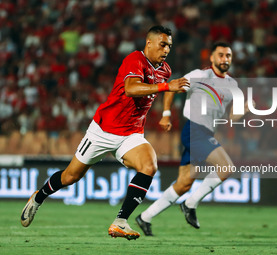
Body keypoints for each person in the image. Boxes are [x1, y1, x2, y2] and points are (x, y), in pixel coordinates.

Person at [20, 25, 189, 240]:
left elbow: (167, 86)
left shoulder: (165, 69)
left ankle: (120, 222)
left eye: (169, 46)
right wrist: (167, 88)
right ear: (149, 43)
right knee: (71, 176)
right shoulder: (135, 60)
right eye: (162, 44)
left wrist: (165, 112)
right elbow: (131, 88)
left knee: (149, 166)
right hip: (104, 130)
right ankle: (38, 197)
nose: (166, 50)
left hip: (131, 133)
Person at [136, 42, 250, 236]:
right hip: (194, 130)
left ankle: (145, 217)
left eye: (228, 56)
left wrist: (245, 109)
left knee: (183, 184)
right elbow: (172, 88)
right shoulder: (200, 76)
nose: (225, 59)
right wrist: (165, 114)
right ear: (212, 58)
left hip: (206, 133)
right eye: (221, 55)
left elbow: (231, 118)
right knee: (226, 167)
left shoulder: (232, 84)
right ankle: (190, 204)